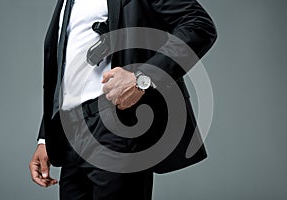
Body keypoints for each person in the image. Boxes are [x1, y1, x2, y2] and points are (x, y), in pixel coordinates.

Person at [29, 0, 217, 199]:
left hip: (115, 124)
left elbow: (199, 25)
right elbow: (64, 69)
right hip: (70, 131)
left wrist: (142, 78)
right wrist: (45, 138)